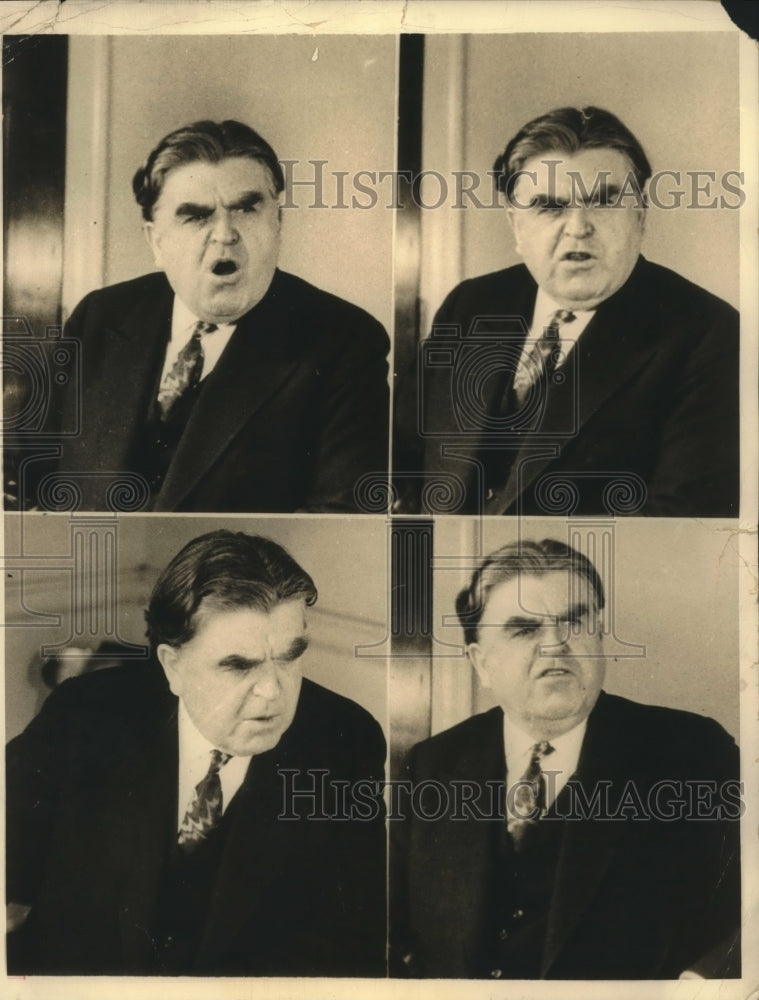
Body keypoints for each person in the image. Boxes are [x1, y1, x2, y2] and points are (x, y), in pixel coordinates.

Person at [6, 530, 386, 975]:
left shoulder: (345, 740)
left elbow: (350, 943)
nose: (271, 692)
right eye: (237, 665)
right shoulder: (82, 714)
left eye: (289, 656)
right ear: (173, 666)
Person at [391, 539, 740, 980]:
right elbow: (388, 926)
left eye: (574, 622)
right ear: (482, 663)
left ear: (599, 636)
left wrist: (704, 983)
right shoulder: (432, 765)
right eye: (524, 629)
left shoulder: (693, 752)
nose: (555, 644)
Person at [32, 119, 389, 512]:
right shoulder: (98, 318)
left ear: (278, 223)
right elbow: (37, 483)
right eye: (197, 216)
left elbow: (340, 525)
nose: (225, 234)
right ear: (155, 239)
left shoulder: (344, 341)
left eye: (247, 208)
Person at [396, 106, 738, 516]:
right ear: (515, 226)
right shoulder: (470, 305)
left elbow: (682, 518)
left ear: (640, 216)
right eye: (550, 207)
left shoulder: (709, 333)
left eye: (604, 203)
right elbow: (400, 456)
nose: (578, 227)